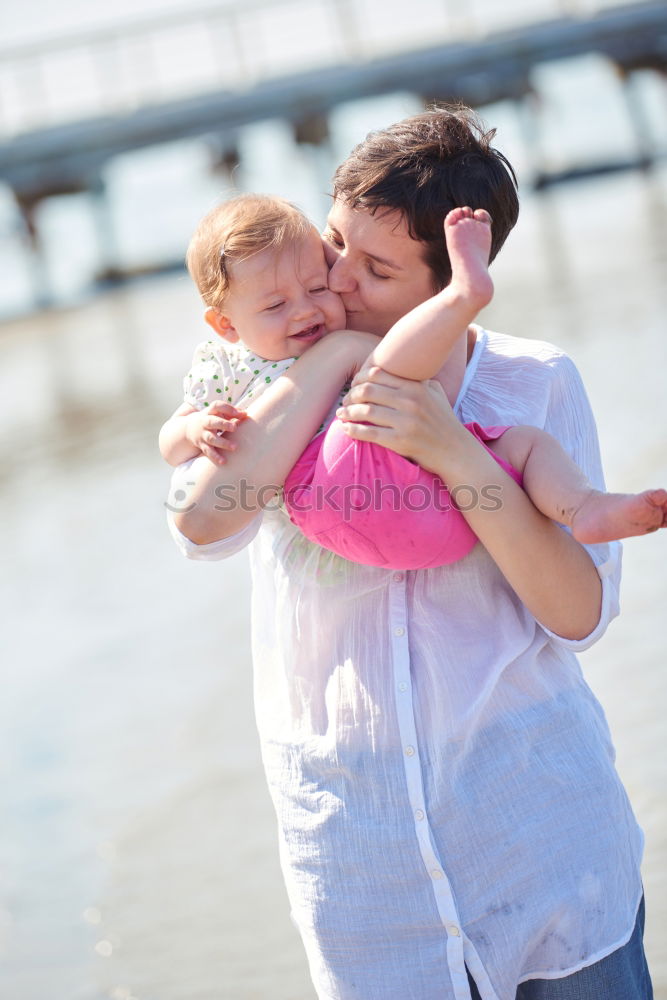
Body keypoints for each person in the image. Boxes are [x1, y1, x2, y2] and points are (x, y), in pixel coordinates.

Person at [165, 106, 654, 999]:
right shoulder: (276, 370)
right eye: (337, 242)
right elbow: (202, 520)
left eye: (377, 270)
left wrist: (453, 450)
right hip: (361, 857)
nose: (335, 280)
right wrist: (338, 357)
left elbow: (577, 617)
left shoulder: (529, 381)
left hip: (541, 840)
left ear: (445, 283)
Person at [160, 195, 666, 569]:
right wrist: (195, 429)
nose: (307, 309)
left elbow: (432, 391)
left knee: (523, 446)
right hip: (327, 488)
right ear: (225, 325)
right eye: (275, 306)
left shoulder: (346, 333)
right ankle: (463, 296)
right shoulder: (220, 366)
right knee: (390, 371)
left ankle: (582, 506)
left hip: (428, 507)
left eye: (317, 285)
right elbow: (173, 444)